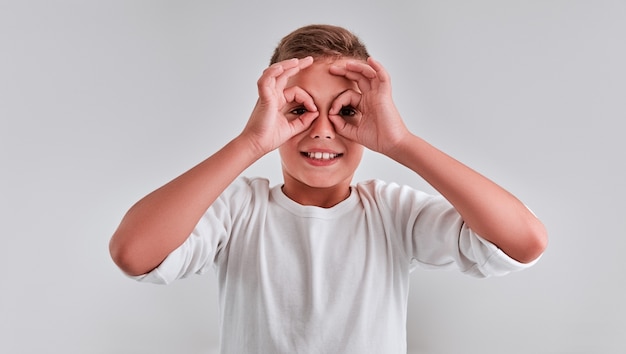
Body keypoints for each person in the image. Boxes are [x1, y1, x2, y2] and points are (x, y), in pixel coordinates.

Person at [109, 24, 547, 353]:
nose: (321, 131)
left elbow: (523, 241)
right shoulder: (239, 208)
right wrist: (250, 143)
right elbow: (134, 253)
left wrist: (401, 143)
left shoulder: (392, 211)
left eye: (346, 111)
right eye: (298, 109)